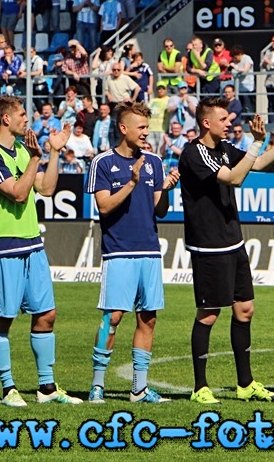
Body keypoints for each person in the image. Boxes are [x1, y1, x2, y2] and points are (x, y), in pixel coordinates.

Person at [180, 98, 274, 404]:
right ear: (206, 122)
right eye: (223, 119)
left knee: (245, 309)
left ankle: (245, 384)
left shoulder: (225, 148)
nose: (229, 123)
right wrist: (256, 143)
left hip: (233, 240)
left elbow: (258, 164)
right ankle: (200, 387)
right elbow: (235, 178)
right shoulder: (194, 153)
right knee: (209, 314)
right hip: (208, 244)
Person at [0, 95, 81, 406]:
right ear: (5, 119)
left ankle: (46, 389)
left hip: (33, 243)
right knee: (3, 319)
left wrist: (53, 152)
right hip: (4, 245)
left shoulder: (22, 150)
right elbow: (19, 195)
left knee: (47, 314)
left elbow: (45, 189)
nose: (27, 119)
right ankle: (8, 388)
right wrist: (36, 159)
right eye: (22, 114)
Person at [86, 102, 180, 404]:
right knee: (112, 318)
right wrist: (131, 183)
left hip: (150, 250)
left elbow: (159, 210)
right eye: (141, 127)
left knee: (148, 319)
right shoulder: (102, 162)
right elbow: (104, 206)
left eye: (147, 127)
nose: (146, 132)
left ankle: (139, 389)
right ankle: (97, 385)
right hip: (119, 252)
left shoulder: (153, 161)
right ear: (123, 128)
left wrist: (165, 189)